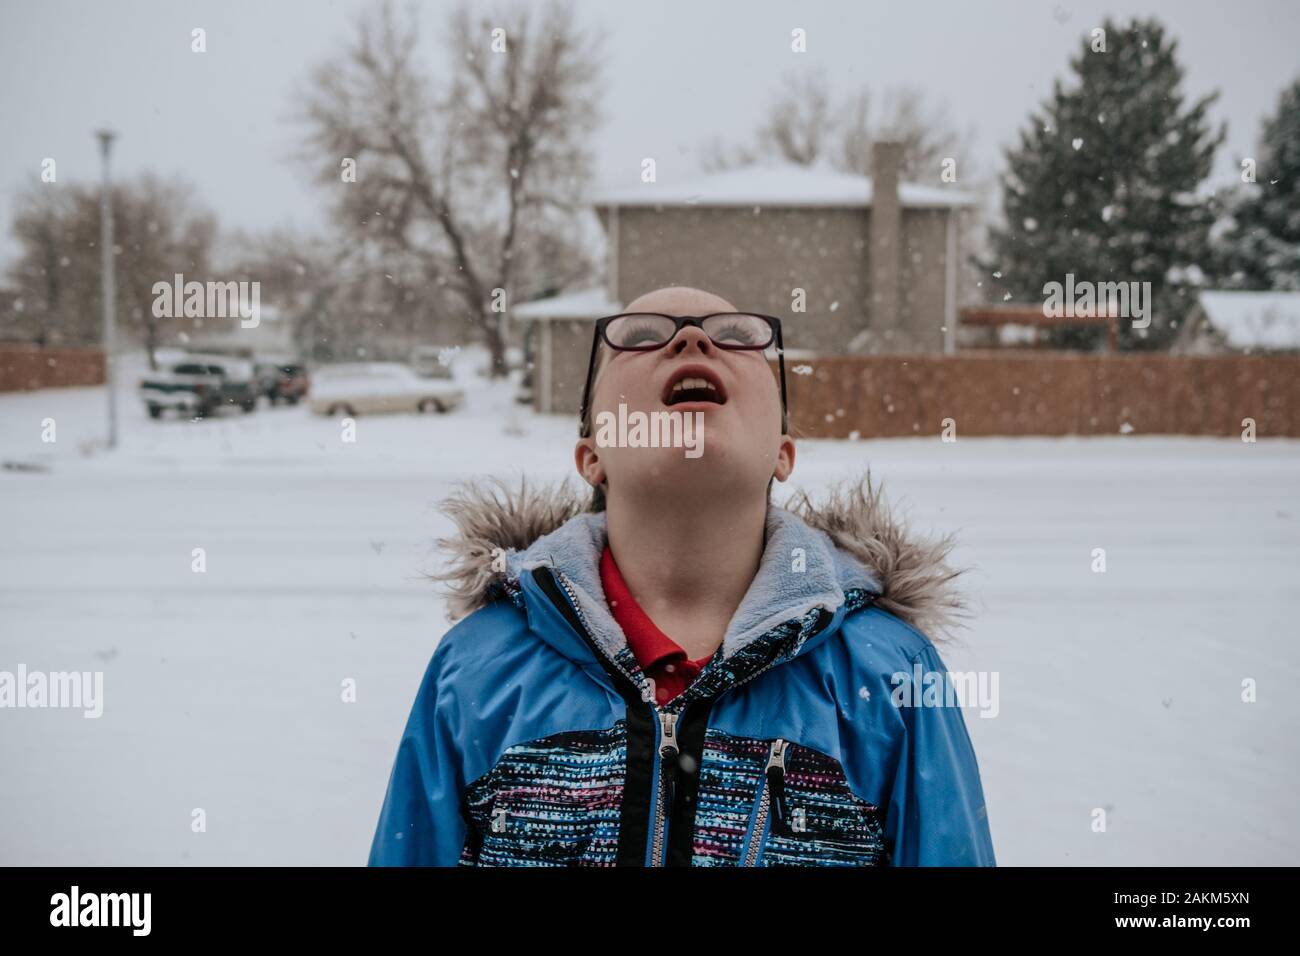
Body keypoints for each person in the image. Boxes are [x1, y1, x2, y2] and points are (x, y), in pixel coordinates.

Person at [368, 285, 996, 866]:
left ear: (783, 451)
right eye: (639, 336)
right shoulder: (476, 667)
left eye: (735, 336)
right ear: (592, 455)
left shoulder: (890, 671)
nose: (690, 340)